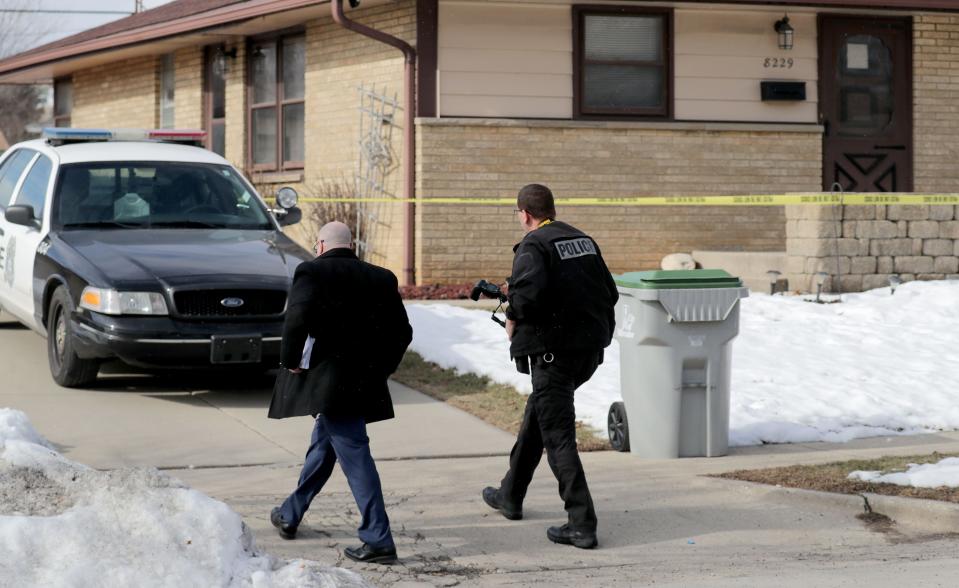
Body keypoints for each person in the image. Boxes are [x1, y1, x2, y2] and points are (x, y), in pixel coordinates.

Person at [482, 184, 618, 549]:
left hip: (552, 354)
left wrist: (511, 307)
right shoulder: (582, 239)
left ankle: (581, 523)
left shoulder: (533, 245)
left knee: (558, 435)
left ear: (525, 214)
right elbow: (610, 291)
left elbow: (527, 300)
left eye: (518, 214)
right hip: (586, 352)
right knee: (539, 416)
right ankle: (510, 494)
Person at [268, 221, 412, 565]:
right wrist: (383, 368)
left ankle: (378, 539)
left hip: (330, 384)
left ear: (320, 245)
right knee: (324, 446)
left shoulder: (312, 272)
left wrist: (291, 361)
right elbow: (402, 331)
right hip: (364, 381)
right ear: (352, 247)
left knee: (355, 454)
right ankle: (290, 512)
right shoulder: (382, 277)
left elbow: (297, 319)